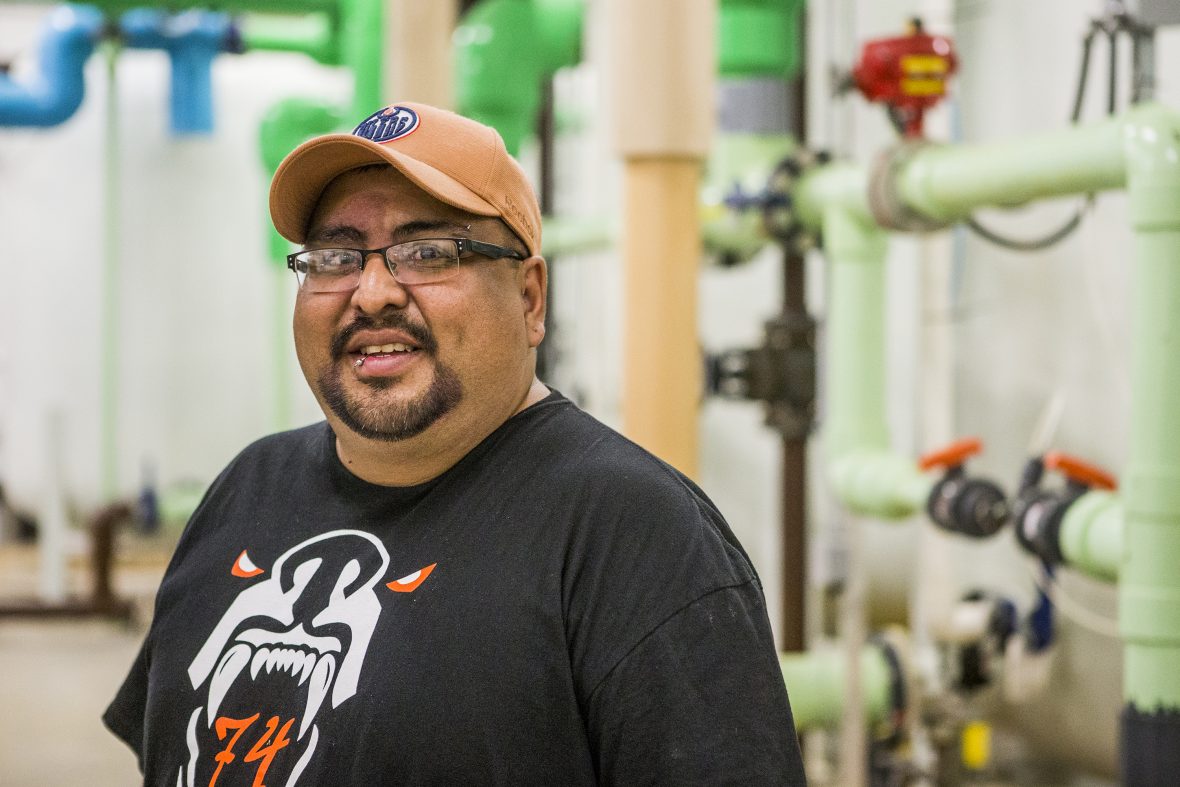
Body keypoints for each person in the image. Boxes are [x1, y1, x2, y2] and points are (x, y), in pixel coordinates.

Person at [104, 102, 806, 785]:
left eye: (428, 251)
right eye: (335, 256)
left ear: (530, 298)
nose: (372, 291)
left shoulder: (634, 535)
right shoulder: (249, 488)